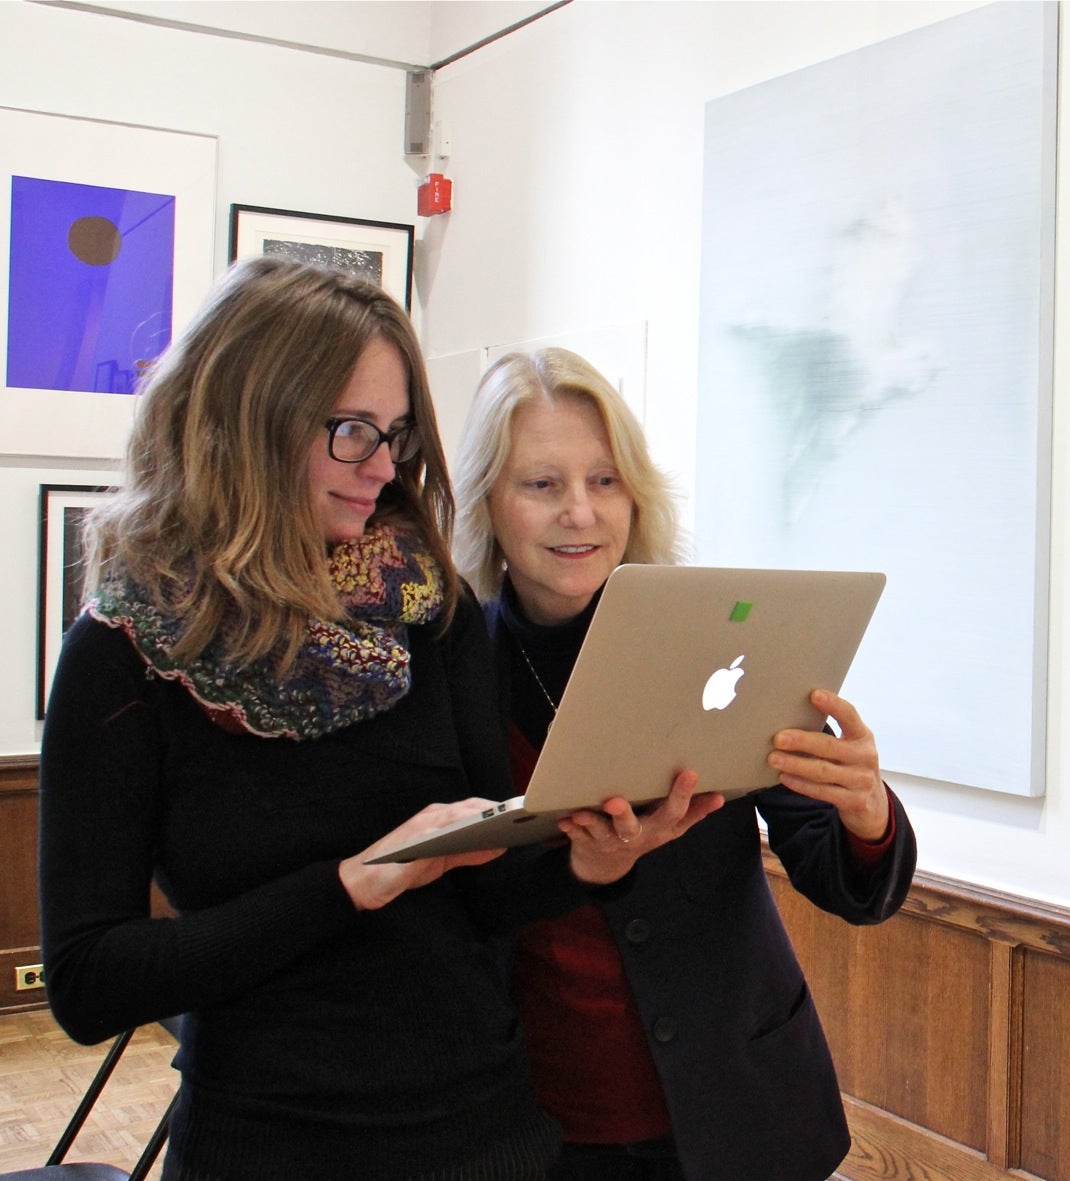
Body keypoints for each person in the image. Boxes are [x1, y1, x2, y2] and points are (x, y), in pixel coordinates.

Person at [37, 258, 703, 1179]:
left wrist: (590, 862)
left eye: (394, 436)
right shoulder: (124, 651)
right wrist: (350, 883)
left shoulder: (428, 607)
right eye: (352, 432)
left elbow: (487, 895)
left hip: (482, 1129)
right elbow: (87, 981)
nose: (386, 468)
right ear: (245, 415)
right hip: (266, 1142)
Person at [453, 348, 917, 1181]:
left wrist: (867, 816)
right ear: (488, 498)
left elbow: (836, 867)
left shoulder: (714, 633)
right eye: (542, 484)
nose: (581, 514)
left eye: (604, 480)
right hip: (536, 1123)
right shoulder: (454, 669)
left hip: (739, 1112)